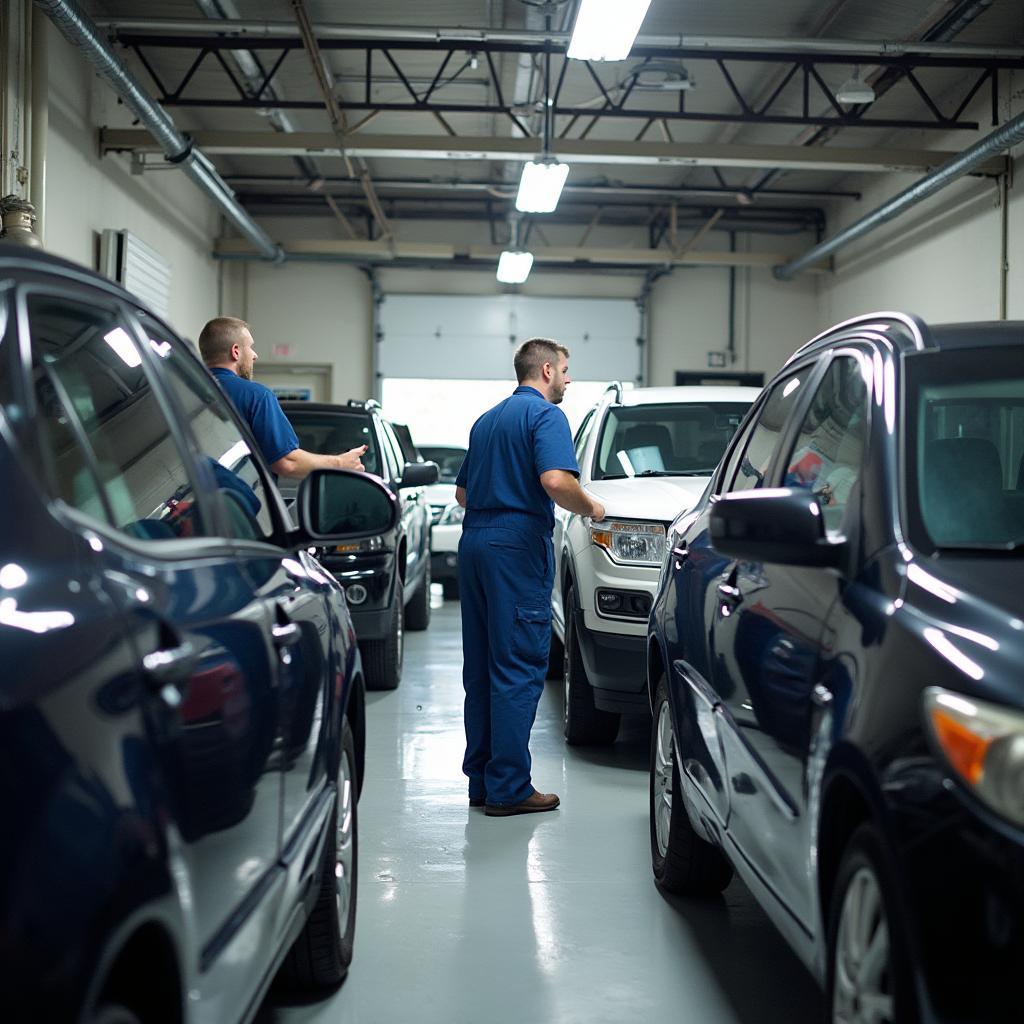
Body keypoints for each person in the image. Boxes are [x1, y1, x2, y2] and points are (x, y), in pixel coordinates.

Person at [455, 338, 606, 817]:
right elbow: (557, 482)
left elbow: (461, 494)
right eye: (565, 369)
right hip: (515, 545)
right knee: (518, 665)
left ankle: (482, 780)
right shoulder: (546, 417)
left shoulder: (486, 420)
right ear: (546, 370)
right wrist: (594, 508)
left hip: (475, 540)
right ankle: (509, 788)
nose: (569, 378)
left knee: (481, 667)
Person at [198, 317, 365, 478]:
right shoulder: (256, 396)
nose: (255, 355)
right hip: (233, 502)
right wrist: (340, 463)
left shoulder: (182, 394)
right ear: (235, 352)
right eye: (250, 347)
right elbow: (287, 462)